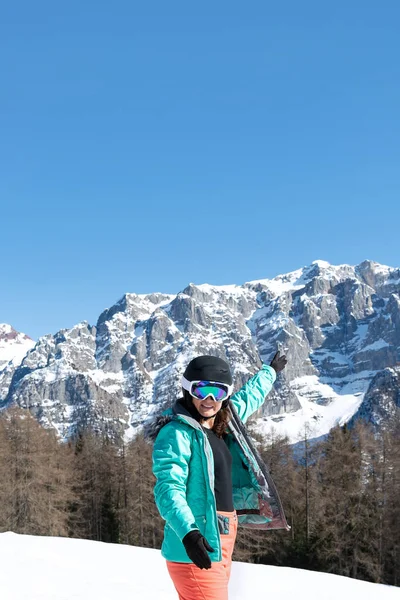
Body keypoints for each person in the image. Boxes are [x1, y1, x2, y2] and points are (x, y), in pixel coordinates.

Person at [148, 351, 289, 600]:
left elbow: (249, 397)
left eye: (219, 392)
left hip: (222, 540)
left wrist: (270, 372)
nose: (210, 399)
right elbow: (168, 489)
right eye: (202, 390)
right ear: (187, 390)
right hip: (195, 544)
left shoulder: (224, 423)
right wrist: (189, 533)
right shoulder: (176, 433)